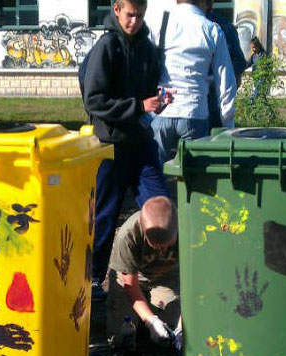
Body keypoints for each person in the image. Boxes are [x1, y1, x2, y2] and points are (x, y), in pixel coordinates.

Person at [82, 0, 172, 300]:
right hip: (110, 145)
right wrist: (138, 106)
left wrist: (160, 98)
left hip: (141, 141)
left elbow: (148, 91)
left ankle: (157, 275)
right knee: (105, 216)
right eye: (130, 14)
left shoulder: (147, 47)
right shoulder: (107, 47)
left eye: (140, 15)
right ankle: (93, 280)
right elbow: (94, 101)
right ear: (117, 9)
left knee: (160, 205)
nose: (135, 21)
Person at [149, 0, 237, 164]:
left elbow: (146, 70)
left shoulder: (160, 25)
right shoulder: (211, 29)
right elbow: (226, 81)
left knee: (155, 177)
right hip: (195, 113)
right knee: (195, 180)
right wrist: (227, 124)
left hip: (162, 112)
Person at [108, 196, 181, 347]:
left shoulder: (188, 229)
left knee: (171, 326)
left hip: (165, 278)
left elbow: (196, 279)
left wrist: (184, 322)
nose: (162, 250)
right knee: (121, 332)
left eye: (166, 245)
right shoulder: (128, 235)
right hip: (132, 278)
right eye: (155, 245)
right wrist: (151, 320)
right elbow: (130, 284)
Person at [205, 2, 246, 129]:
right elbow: (238, 64)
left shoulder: (222, 27)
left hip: (209, 102)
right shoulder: (224, 26)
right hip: (217, 103)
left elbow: (238, 64)